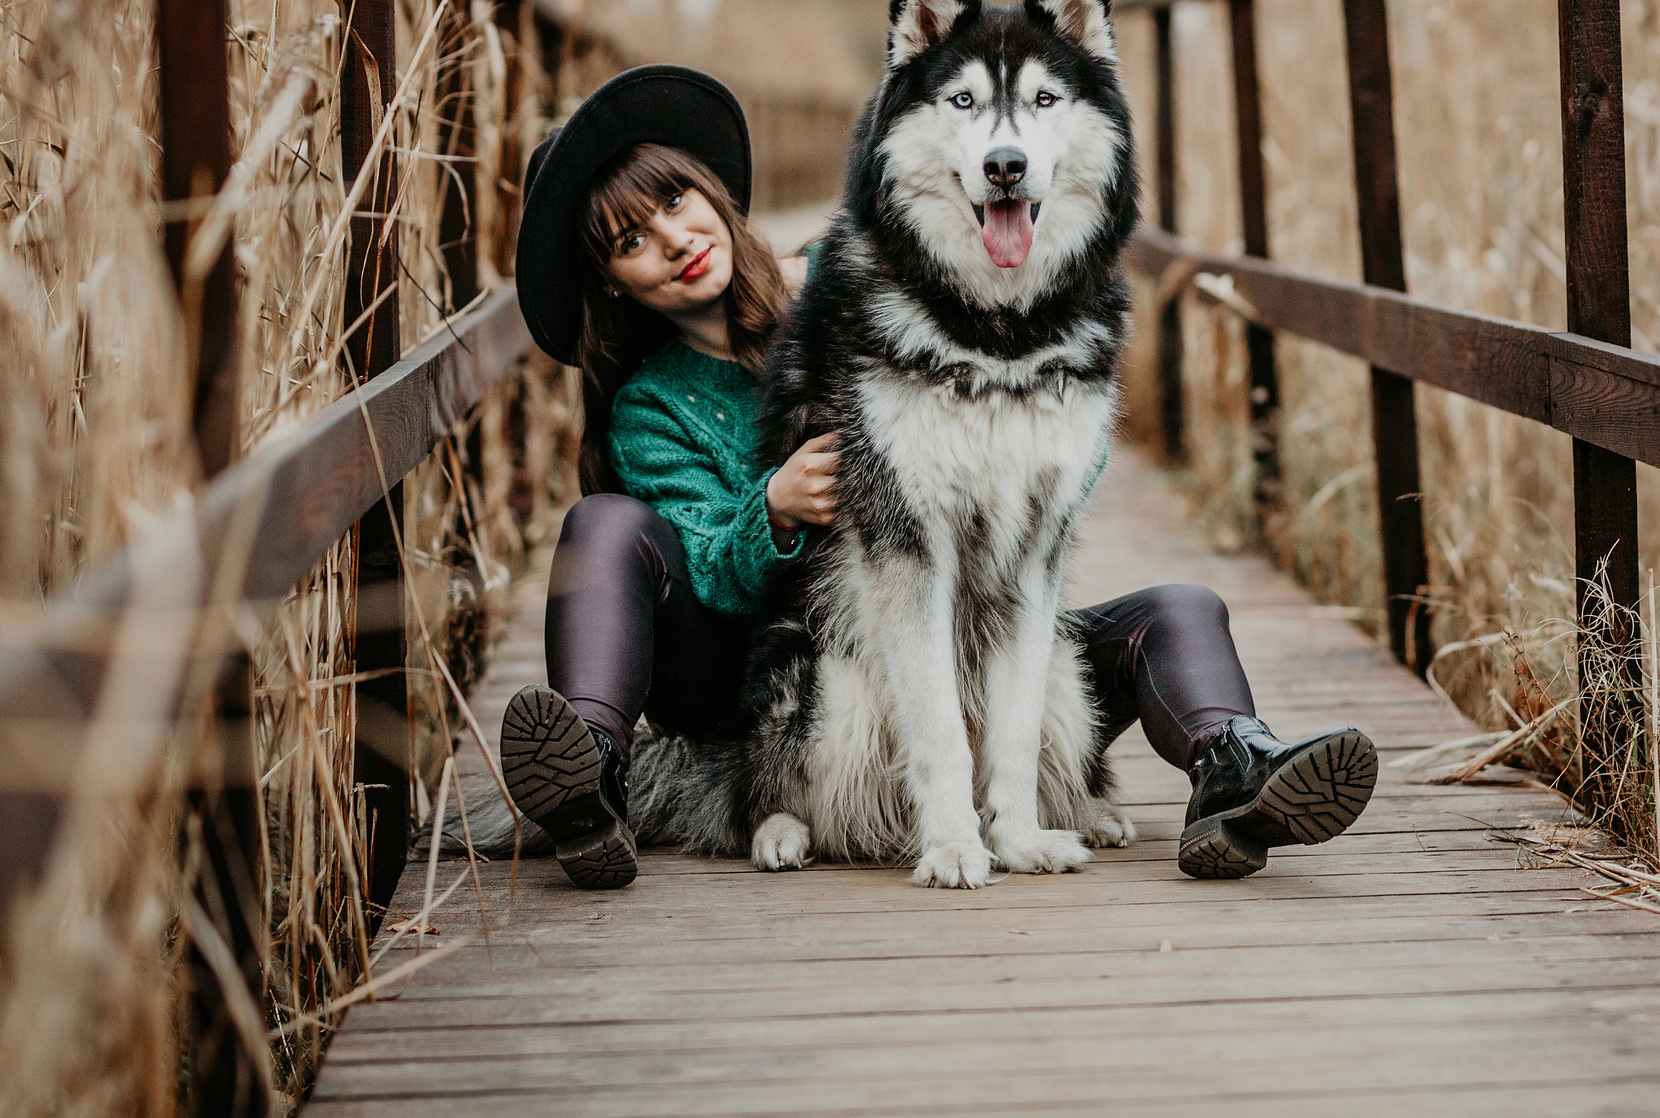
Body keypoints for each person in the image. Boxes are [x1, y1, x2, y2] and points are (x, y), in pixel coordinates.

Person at [499, 65, 1373, 889]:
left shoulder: (854, 277)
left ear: (713, 193)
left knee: (1178, 611)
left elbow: (1051, 404)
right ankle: (590, 777)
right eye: (629, 241)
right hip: (785, 672)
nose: (672, 240)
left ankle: (1235, 769)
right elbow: (703, 577)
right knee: (607, 524)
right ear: (609, 284)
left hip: (966, 622)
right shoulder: (653, 405)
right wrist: (771, 508)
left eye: (676, 201)